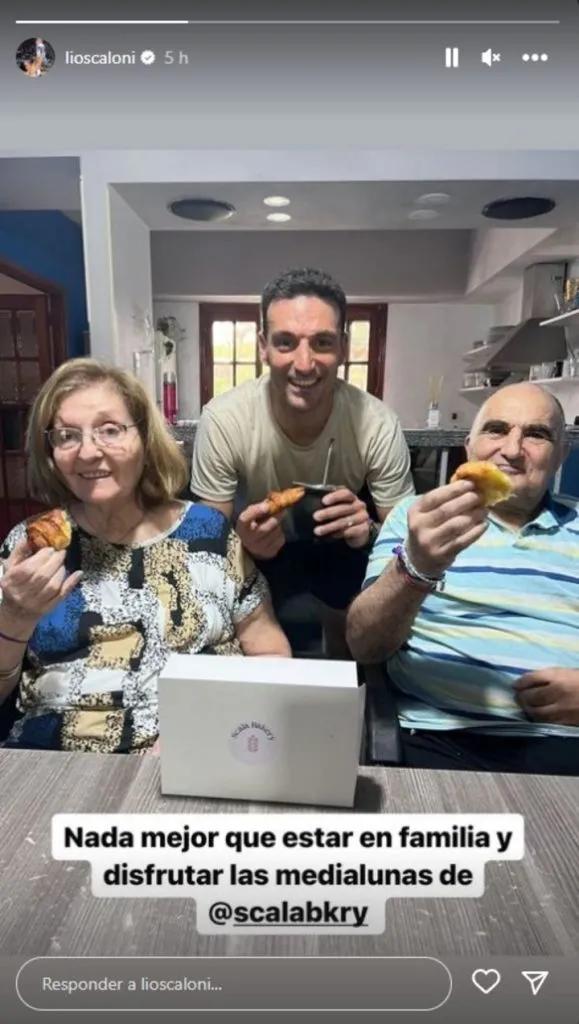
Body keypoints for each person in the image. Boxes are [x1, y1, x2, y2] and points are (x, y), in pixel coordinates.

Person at [0, 358, 290, 754]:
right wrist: (14, 617)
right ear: (51, 452)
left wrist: (212, 728)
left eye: (109, 430)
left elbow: (271, 654)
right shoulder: (30, 547)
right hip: (55, 763)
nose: (87, 451)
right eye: (67, 435)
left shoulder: (208, 533)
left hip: (198, 755)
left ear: (145, 439)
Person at [346, 382, 579, 775]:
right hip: (435, 739)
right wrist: (415, 567)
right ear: (468, 446)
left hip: (565, 746)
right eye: (497, 429)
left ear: (561, 456)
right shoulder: (416, 516)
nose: (511, 449)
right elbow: (364, 644)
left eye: (536, 434)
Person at [190, 267, 414, 656]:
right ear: (263, 346)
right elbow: (204, 541)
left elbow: (407, 546)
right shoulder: (225, 418)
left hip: (343, 551)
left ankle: (353, 673)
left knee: (356, 578)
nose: (305, 363)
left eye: (322, 343)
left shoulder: (378, 423)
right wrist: (240, 541)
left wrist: (370, 531)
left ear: (343, 347)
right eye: (286, 342)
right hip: (258, 554)